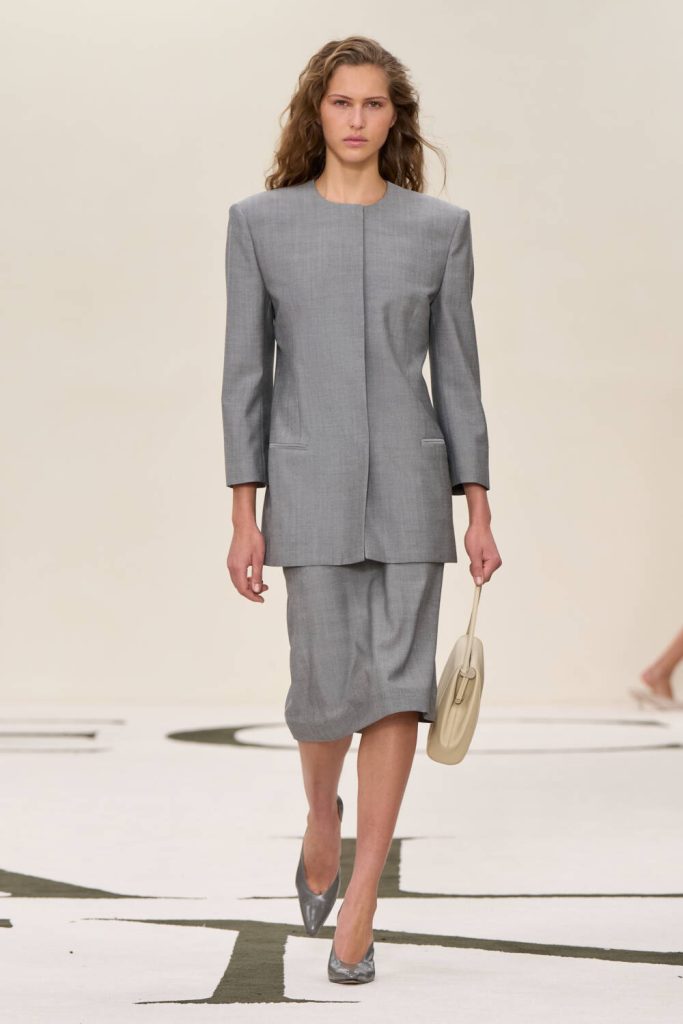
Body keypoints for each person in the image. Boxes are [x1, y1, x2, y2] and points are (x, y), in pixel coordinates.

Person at [221, 36, 503, 984]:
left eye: (373, 103)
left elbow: (457, 377)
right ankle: (320, 817)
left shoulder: (439, 228)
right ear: (317, 112)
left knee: (397, 689)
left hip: (414, 491)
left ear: (394, 117)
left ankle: (364, 897)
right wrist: (243, 514)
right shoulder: (260, 223)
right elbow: (245, 379)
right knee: (321, 694)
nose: (355, 119)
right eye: (340, 102)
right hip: (307, 488)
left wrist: (477, 506)